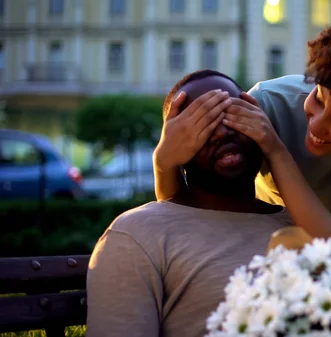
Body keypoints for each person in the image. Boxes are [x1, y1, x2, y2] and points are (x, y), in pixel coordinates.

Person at [153, 13, 331, 254]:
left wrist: (276, 151)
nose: (317, 125)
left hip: (315, 270)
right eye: (318, 98)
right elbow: (190, 215)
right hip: (250, 254)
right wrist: (165, 162)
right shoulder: (267, 103)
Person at [86, 70, 294, 337]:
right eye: (202, 123)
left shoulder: (300, 226)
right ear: (174, 144)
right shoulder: (136, 234)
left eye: (232, 114)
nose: (221, 132)